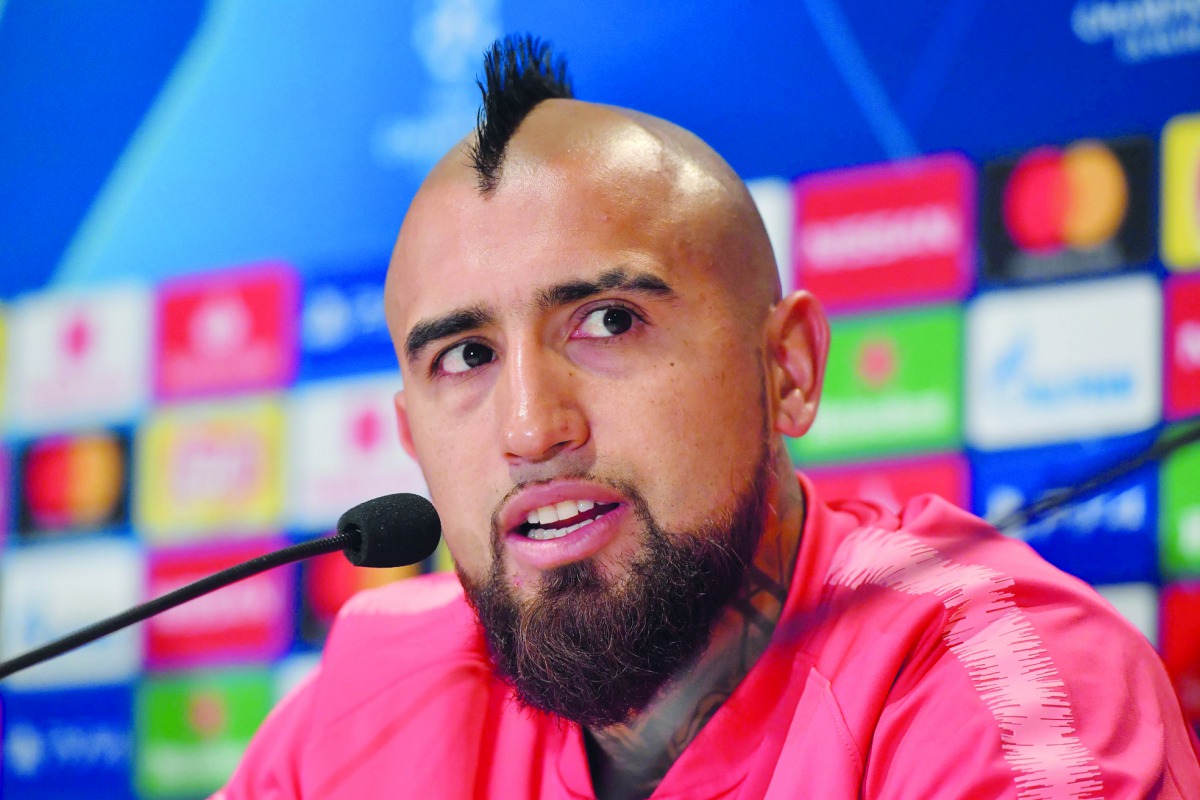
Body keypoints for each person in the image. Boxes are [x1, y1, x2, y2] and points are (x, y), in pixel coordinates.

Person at [216, 35, 1200, 799]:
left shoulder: (994, 683)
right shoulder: (377, 689)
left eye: (607, 320)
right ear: (410, 434)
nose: (530, 426)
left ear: (788, 369)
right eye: (466, 356)